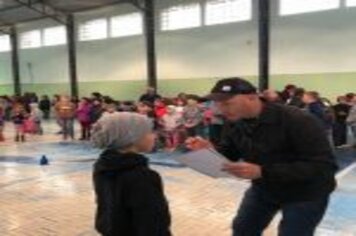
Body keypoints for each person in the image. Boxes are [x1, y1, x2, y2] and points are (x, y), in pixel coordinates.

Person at [186, 77, 337, 236]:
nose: (221, 109)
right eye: (217, 104)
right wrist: (210, 150)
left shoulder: (298, 120)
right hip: (265, 188)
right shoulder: (234, 122)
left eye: (227, 103)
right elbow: (230, 152)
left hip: (305, 192)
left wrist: (263, 172)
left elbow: (324, 166)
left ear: (251, 97)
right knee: (243, 228)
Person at [91, 112, 171, 236]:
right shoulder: (142, 176)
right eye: (149, 132)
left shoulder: (103, 166)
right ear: (132, 137)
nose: (154, 136)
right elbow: (153, 224)